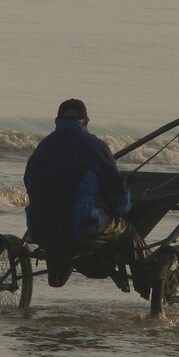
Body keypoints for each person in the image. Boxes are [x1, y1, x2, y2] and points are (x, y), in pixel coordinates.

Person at [24, 98, 140, 289]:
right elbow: (119, 195)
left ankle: (59, 269)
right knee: (127, 230)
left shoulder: (43, 147)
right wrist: (123, 208)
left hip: (39, 227)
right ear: (86, 121)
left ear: (56, 121)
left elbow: (29, 182)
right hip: (80, 228)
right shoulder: (96, 147)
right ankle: (145, 282)